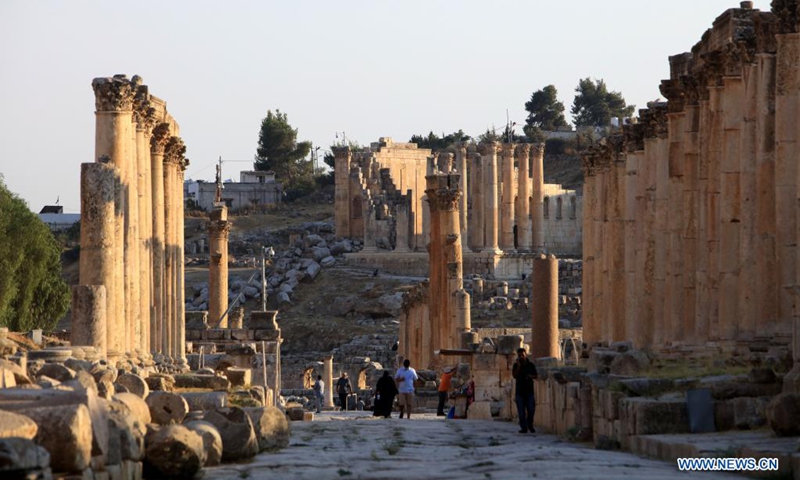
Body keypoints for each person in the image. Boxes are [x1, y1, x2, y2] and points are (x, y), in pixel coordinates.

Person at [512, 347, 538, 433]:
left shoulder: (531, 365)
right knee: (521, 412)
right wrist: (519, 366)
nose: (521, 357)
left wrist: (531, 376)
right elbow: (514, 376)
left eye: (522, 355)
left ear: (525, 354)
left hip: (529, 391)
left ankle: (530, 424)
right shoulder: (516, 365)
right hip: (519, 392)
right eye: (519, 355)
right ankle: (523, 428)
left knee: (531, 410)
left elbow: (536, 375)